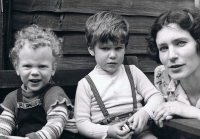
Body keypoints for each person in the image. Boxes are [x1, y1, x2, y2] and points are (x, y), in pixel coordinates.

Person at [74, 11, 164, 139]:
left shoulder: (132, 72)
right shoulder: (86, 84)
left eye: (118, 48)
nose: (112, 55)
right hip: (108, 135)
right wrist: (107, 131)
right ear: (91, 49)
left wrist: (145, 112)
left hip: (140, 132)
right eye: (105, 48)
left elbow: (157, 97)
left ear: (125, 48)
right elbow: (82, 123)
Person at [0, 24, 74, 139]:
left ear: (53, 69)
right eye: (28, 66)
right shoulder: (12, 98)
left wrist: (37, 137)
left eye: (42, 66)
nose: (34, 72)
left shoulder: (55, 94)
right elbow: (4, 122)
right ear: (17, 68)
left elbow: (56, 123)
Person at [146, 6, 200, 138]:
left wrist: (192, 112)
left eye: (180, 43)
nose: (171, 56)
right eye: (163, 48)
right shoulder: (162, 76)